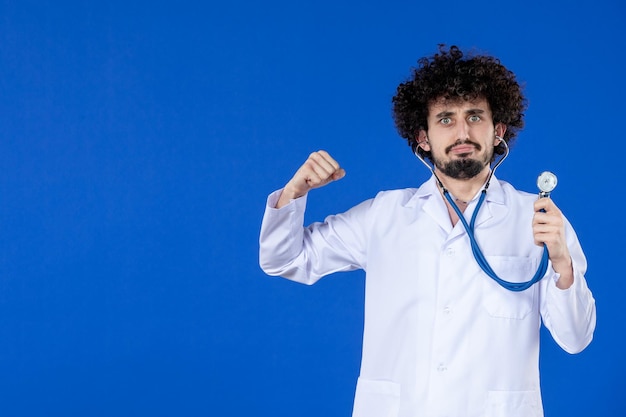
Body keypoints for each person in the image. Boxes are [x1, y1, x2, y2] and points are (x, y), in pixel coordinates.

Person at [258, 45, 596, 417]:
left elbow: (576, 338)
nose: (462, 132)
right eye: (446, 119)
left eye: (475, 116)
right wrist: (295, 193)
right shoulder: (383, 215)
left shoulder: (539, 220)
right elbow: (283, 260)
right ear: (423, 137)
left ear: (498, 131)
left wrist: (562, 264)